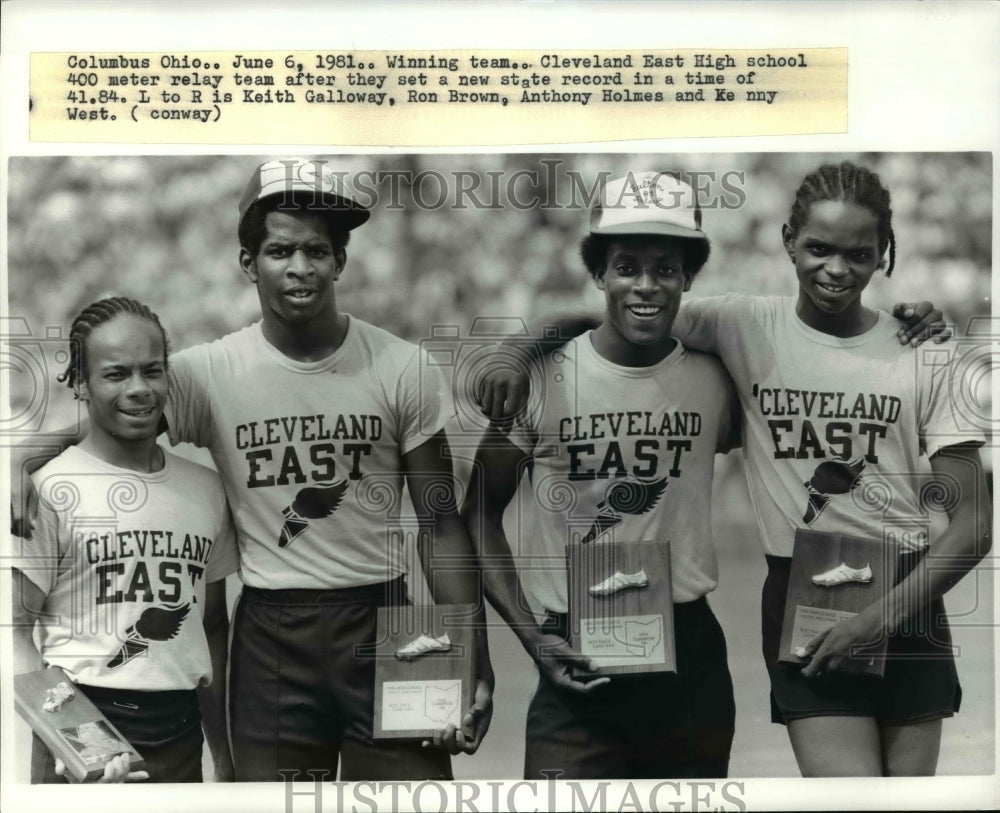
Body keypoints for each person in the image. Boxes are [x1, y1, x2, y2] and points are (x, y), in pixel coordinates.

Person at [476, 161, 991, 777]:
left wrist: (876, 620)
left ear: (885, 254)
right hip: (791, 599)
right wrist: (517, 347)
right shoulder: (738, 326)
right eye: (819, 248)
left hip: (894, 596)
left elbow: (976, 524)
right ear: (788, 244)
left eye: (860, 252)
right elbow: (612, 317)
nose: (836, 268)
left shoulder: (918, 352)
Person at [10, 158, 493, 781]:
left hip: (386, 618)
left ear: (341, 261)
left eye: (318, 250)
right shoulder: (208, 373)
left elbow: (440, 523)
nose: (300, 267)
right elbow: (110, 412)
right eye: (280, 250)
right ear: (249, 264)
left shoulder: (402, 367)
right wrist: (21, 458)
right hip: (273, 635)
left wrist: (470, 652)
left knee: (410, 795)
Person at [463, 171, 740, 779]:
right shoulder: (543, 379)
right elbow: (477, 513)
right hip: (574, 657)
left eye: (666, 268)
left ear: (689, 277)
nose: (646, 285)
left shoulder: (719, 376)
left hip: (689, 660)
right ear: (599, 274)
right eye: (626, 266)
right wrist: (534, 637)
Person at [11, 297, 238, 783]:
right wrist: (74, 739)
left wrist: (222, 753)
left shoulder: (204, 489)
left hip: (178, 729)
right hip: (77, 716)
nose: (139, 389)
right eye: (116, 374)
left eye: (152, 371)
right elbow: (14, 632)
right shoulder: (49, 489)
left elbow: (212, 628)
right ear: (80, 383)